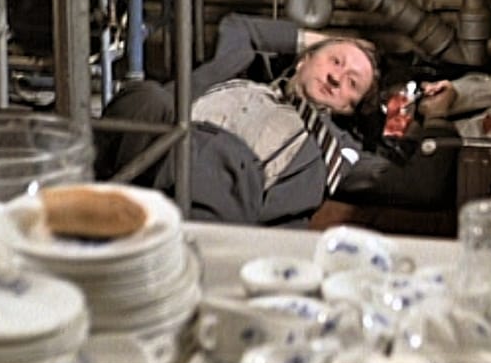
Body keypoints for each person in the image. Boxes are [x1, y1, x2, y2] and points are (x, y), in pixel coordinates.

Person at [96, 13, 382, 226]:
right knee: (148, 96)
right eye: (335, 61)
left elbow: (391, 178)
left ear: (348, 108)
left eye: (352, 83)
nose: (336, 77)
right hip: (163, 135)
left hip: (224, 181)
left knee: (226, 159)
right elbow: (240, 26)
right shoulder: (240, 69)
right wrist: (325, 39)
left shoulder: (332, 149)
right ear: (304, 60)